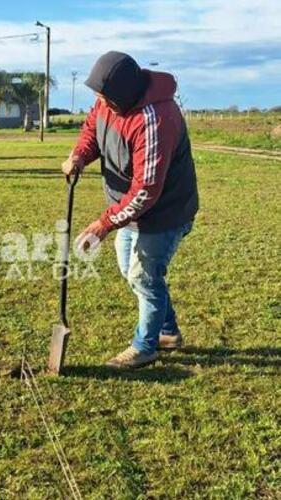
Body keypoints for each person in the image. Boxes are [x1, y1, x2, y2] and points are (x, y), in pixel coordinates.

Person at [62, 51, 199, 369]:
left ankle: (145, 346)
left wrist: (102, 225)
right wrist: (80, 156)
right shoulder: (108, 102)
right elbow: (91, 130)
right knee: (133, 273)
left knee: (143, 276)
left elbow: (146, 191)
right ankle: (167, 331)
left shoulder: (155, 119)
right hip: (128, 209)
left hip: (164, 212)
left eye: (103, 94)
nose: (98, 99)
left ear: (124, 91)